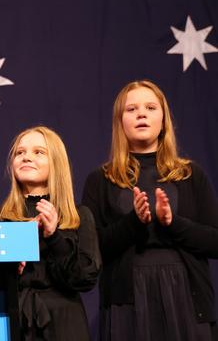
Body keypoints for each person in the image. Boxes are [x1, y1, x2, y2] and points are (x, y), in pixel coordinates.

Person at [82, 80, 218, 340]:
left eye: (150, 107)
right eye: (131, 109)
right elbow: (91, 248)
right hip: (127, 302)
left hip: (187, 298)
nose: (141, 114)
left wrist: (172, 222)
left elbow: (215, 241)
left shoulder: (191, 174)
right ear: (119, 122)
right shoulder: (100, 180)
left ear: (164, 119)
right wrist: (134, 222)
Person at [0, 126, 100, 341]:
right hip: (17, 319)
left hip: (65, 323)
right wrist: (10, 267)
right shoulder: (0, 218)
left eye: (38, 152)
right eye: (20, 152)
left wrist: (54, 236)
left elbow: (84, 279)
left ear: (56, 162)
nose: (26, 157)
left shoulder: (79, 216)